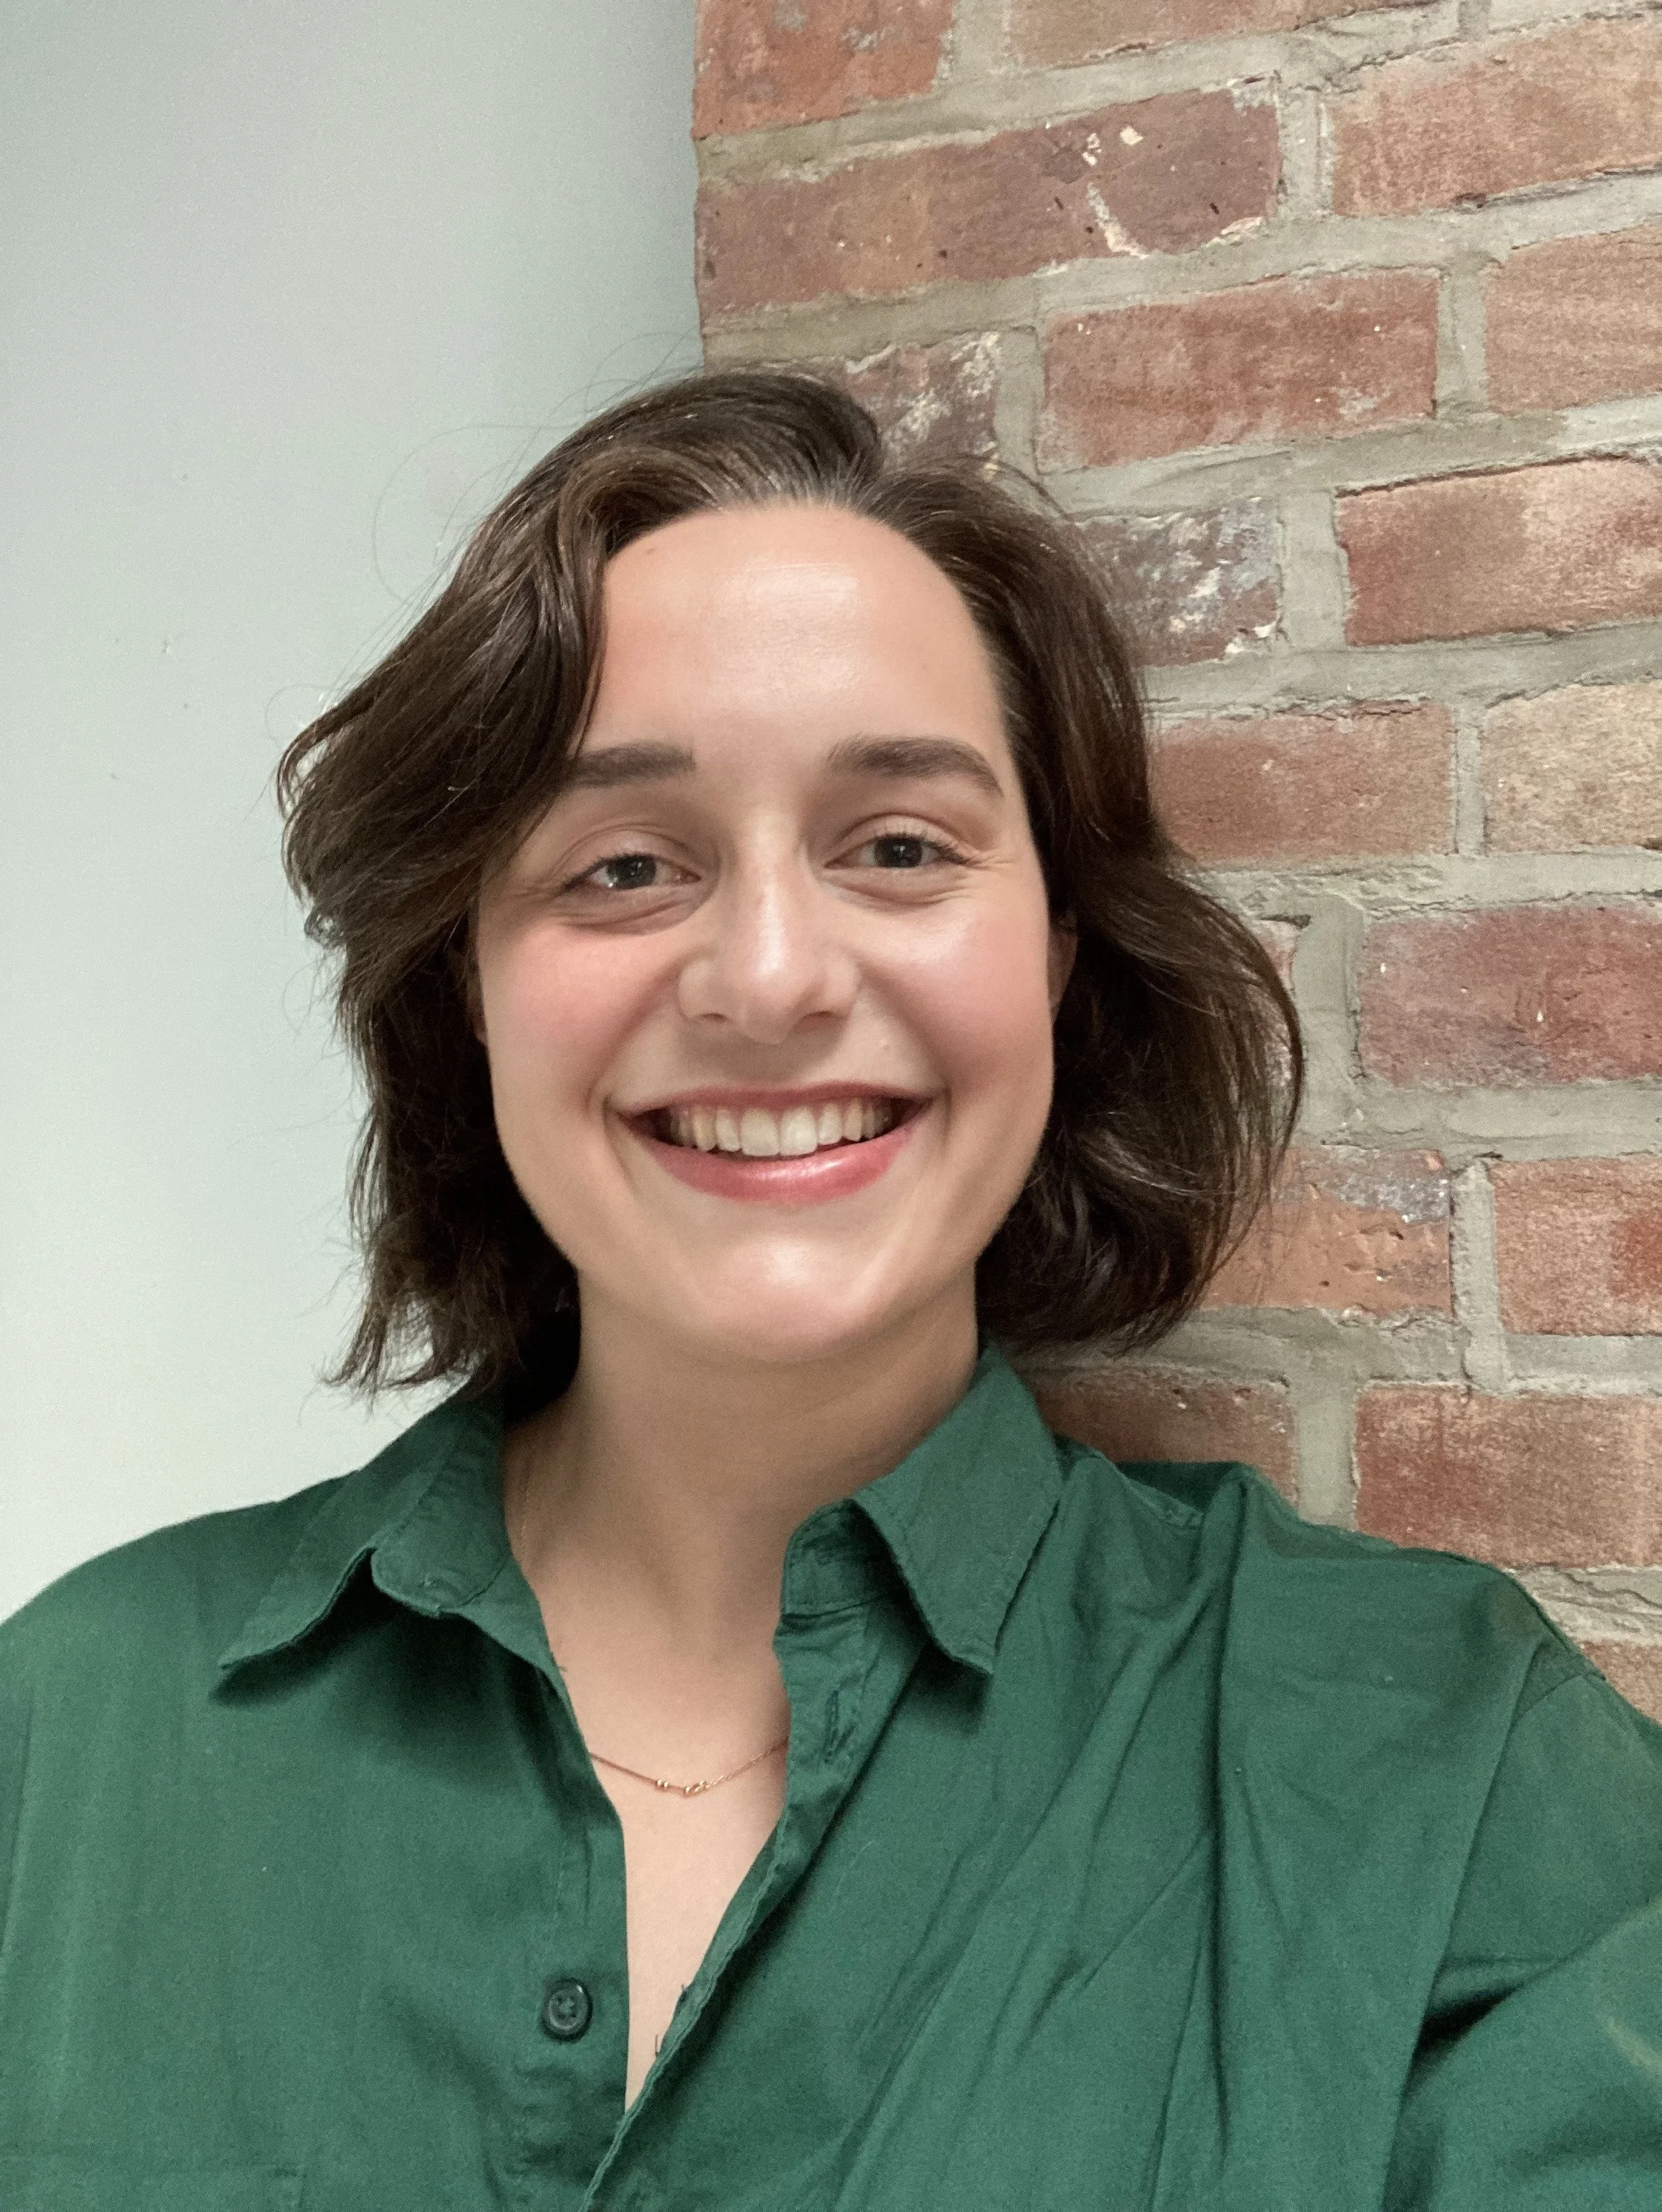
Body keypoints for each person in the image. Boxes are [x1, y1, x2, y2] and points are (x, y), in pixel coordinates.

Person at [2, 370, 1659, 2211]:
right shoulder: (69, 1730)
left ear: (1052, 949)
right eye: (624, 865)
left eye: (897, 847)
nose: (772, 975)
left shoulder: (1448, 1776)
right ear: (464, 979)